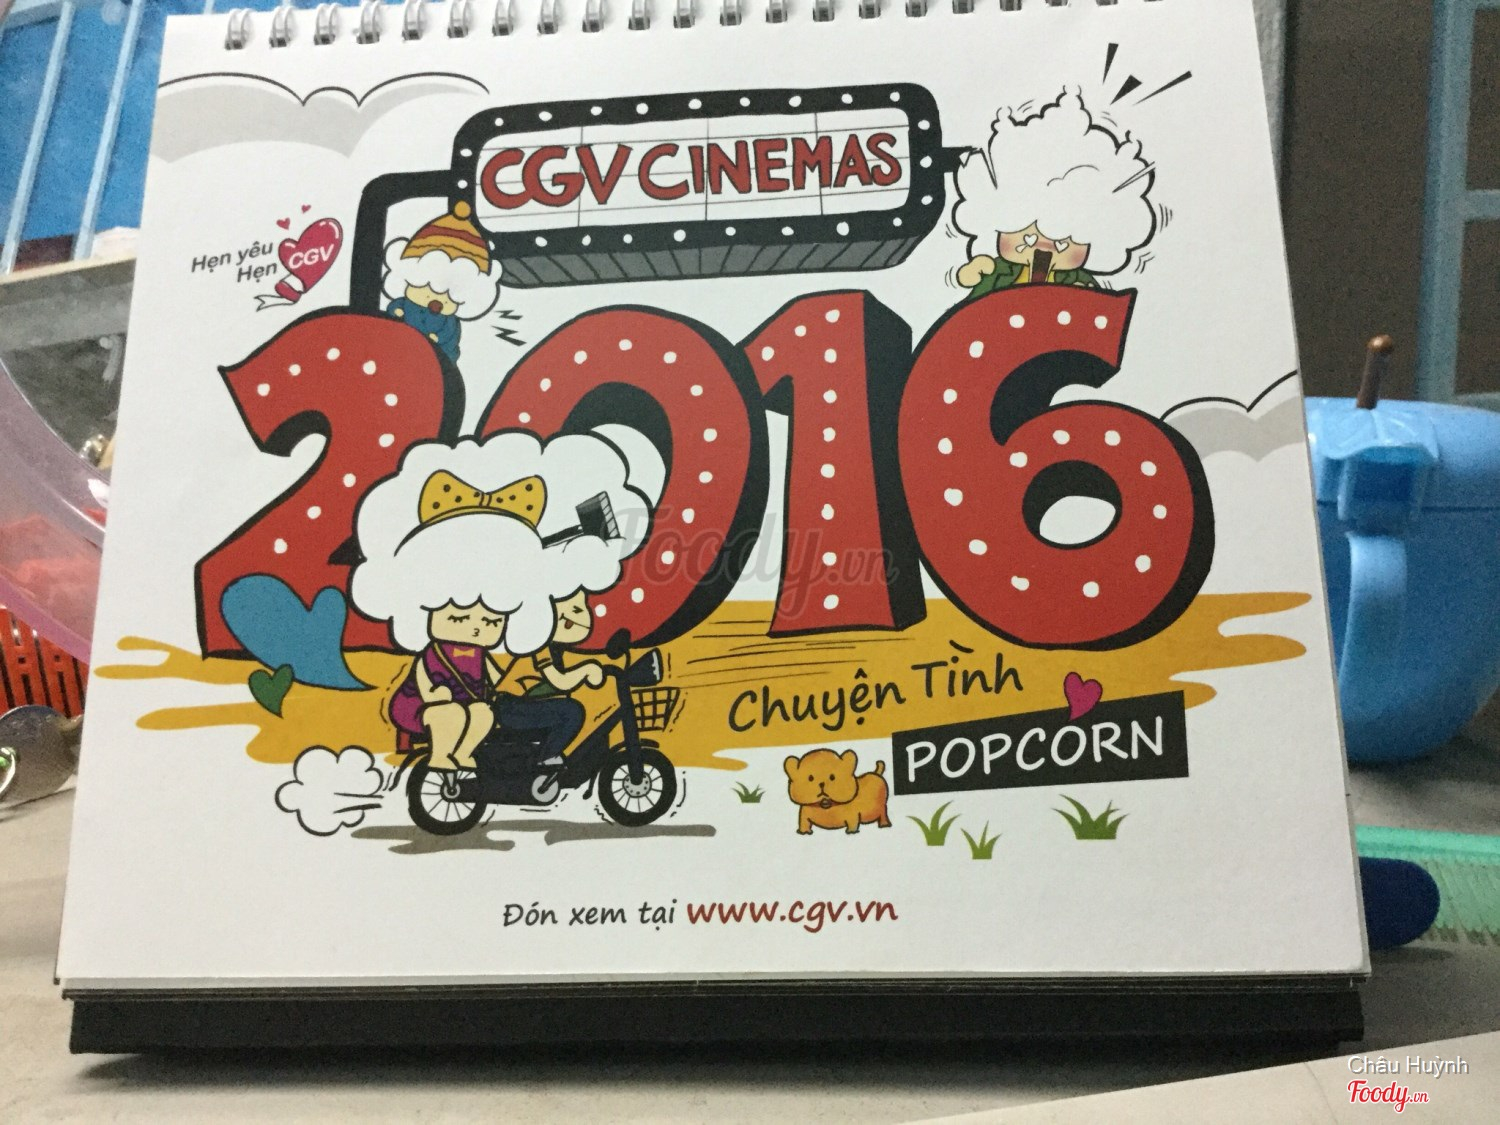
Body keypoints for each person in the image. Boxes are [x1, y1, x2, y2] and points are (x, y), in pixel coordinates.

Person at [952, 91, 1157, 299]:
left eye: (1068, 239)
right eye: (1026, 231)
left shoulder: (1075, 278)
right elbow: (970, 286)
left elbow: (1093, 303)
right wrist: (972, 272)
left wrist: (1083, 294)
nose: (1044, 243)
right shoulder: (999, 270)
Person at [491, 590, 607, 766]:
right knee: (572, 711)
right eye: (576, 610)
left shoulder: (554, 648)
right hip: (511, 708)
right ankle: (545, 759)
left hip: (520, 706)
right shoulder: (539, 647)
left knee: (567, 708)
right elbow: (559, 681)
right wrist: (587, 670)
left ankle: (545, 757)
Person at [382, 201, 502, 363]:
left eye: (449, 296)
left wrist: (438, 340)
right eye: (427, 287)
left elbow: (450, 337)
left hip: (433, 359)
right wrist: (396, 312)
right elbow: (394, 309)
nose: (436, 300)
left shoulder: (449, 321)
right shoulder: (406, 304)